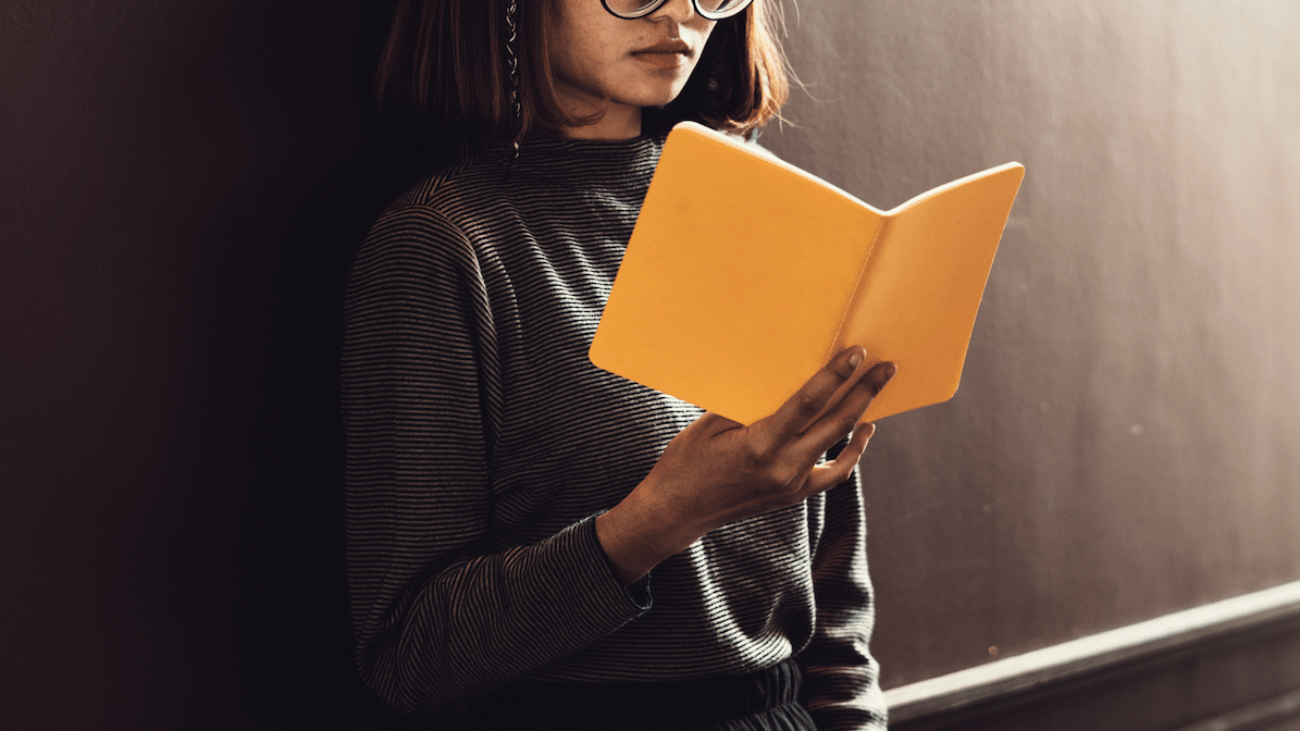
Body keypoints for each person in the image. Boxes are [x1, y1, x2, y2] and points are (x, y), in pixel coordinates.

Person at [340, 0, 896, 728]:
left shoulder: (763, 207)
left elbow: (833, 609)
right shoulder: (441, 247)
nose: (679, 13)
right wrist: (662, 516)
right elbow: (410, 654)